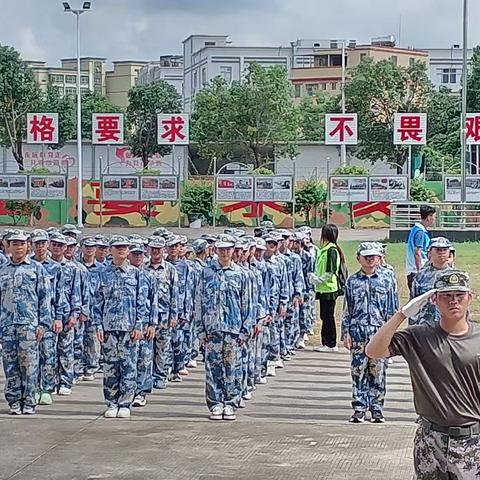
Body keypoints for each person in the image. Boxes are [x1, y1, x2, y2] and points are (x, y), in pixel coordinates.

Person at [366, 270, 480, 479]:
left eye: (459, 295)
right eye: (446, 295)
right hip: (430, 440)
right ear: (434, 299)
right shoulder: (418, 336)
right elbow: (373, 351)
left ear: (469, 298)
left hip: (471, 441)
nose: (453, 301)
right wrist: (402, 314)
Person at [196, 234, 253, 421]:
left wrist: (245, 329)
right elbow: (198, 302)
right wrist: (200, 329)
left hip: (233, 329)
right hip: (212, 329)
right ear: (215, 250)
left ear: (233, 250)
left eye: (228, 249)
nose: (224, 252)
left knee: (232, 368)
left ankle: (230, 403)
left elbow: (247, 304)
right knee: (212, 369)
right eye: (221, 249)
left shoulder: (241, 274)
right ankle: (215, 403)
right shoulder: (206, 273)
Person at [342, 242, 398, 424]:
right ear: (358, 258)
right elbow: (347, 309)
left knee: (378, 371)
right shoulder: (352, 281)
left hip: (379, 333)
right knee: (358, 371)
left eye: (373, 256)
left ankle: (377, 408)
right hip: (358, 333)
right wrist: (346, 333)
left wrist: (391, 335)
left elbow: (392, 310)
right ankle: (359, 408)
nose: (370, 259)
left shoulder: (387, 280)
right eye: (366, 256)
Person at [93, 236, 146, 419]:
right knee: (110, 368)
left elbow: (142, 302)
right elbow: (97, 303)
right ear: (110, 250)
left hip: (129, 329)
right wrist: (98, 326)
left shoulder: (136, 273)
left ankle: (125, 403)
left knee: (129, 366)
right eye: (117, 247)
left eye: (124, 247)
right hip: (109, 329)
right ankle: (111, 402)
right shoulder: (102, 273)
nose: (121, 250)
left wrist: (139, 325)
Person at [0, 230, 51, 415]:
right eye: (14, 243)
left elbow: (45, 299)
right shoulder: (2, 270)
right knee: (10, 364)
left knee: (29, 365)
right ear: (8, 246)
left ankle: (29, 401)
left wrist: (43, 324)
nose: (18, 247)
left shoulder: (37, 269)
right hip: (7, 326)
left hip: (29, 325)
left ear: (27, 245)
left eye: (21, 243)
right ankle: (14, 401)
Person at [310, 224, 344, 353]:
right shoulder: (325, 249)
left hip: (329, 288)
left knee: (328, 316)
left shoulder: (331, 250)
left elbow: (331, 270)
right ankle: (326, 342)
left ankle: (330, 343)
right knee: (325, 316)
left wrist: (319, 279)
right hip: (323, 288)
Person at [409, 237, 453, 326]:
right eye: (438, 250)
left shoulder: (455, 276)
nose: (442, 253)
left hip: (447, 324)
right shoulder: (420, 276)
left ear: (449, 253)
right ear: (429, 253)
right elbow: (413, 303)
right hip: (425, 325)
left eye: (445, 249)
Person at [406, 205, 436, 294]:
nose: (434, 219)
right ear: (428, 217)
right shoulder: (421, 233)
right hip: (416, 271)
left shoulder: (416, 229)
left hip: (412, 270)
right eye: (433, 217)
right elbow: (417, 253)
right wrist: (420, 272)